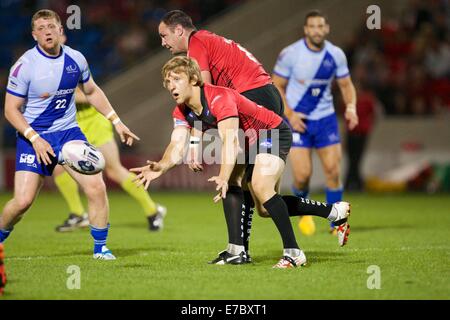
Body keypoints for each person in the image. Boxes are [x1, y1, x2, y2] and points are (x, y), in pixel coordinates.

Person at [131, 56, 351, 268]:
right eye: (167, 81)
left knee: (259, 186)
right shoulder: (182, 111)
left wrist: (224, 176)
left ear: (194, 80)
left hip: (271, 132)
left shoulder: (218, 97)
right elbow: (177, 145)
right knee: (264, 208)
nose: (171, 85)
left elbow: (231, 142)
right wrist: (161, 166)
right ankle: (239, 250)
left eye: (176, 78)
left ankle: (294, 253)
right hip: (250, 141)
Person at [0, 9, 139, 260]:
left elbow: (92, 91)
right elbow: (10, 110)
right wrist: (35, 138)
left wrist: (117, 122)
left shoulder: (76, 59)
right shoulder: (24, 66)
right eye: (41, 28)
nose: (47, 32)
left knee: (96, 187)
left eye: (51, 26)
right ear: (34, 35)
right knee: (22, 202)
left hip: (68, 133)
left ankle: (101, 248)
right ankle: (0, 237)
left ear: (60, 30)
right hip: (34, 137)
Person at [158, 10, 285, 260]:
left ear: (179, 31)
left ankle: (239, 250)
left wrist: (194, 144)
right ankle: (331, 212)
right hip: (265, 96)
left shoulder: (197, 44)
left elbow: (201, 94)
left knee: (241, 182)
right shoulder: (207, 39)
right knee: (262, 200)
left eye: (164, 35)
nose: (163, 42)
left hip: (254, 97)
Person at [272, 10, 358, 236]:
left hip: (326, 120)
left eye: (321, 27)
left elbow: (346, 85)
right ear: (305, 30)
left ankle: (337, 223)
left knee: (333, 170)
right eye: (313, 27)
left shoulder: (336, 54)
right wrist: (289, 114)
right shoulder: (291, 54)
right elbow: (276, 84)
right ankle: (304, 212)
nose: (317, 31)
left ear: (327, 29)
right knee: (302, 176)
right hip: (298, 120)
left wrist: (350, 107)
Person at [53, 87, 166, 232]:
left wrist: (53, 95)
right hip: (73, 126)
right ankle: (78, 214)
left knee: (114, 170)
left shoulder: (71, 65)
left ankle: (153, 211)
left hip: (95, 124)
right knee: (59, 168)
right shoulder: (45, 72)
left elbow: (88, 95)